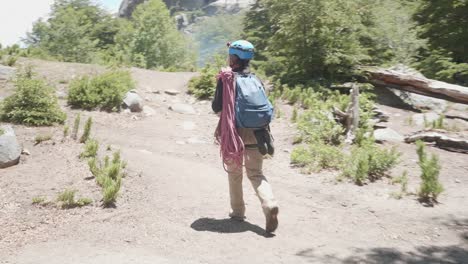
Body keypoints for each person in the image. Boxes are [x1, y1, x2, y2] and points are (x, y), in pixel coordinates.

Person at [212, 40, 279, 233]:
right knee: (256, 174)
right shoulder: (256, 79)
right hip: (258, 134)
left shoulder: (226, 79)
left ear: (233, 58)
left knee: (234, 173)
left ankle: (238, 212)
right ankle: (269, 203)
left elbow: (216, 107)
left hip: (235, 133)